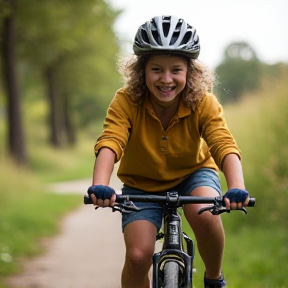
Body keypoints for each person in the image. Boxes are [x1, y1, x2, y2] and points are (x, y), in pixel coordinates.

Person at [90, 15, 249, 288]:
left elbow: (222, 143)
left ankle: (213, 278)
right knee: (138, 257)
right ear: (142, 71)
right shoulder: (126, 100)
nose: (166, 79)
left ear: (190, 72)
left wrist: (236, 187)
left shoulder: (203, 102)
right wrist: (100, 185)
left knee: (206, 214)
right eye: (156, 70)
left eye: (176, 70)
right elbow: (111, 140)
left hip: (194, 174)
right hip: (141, 184)